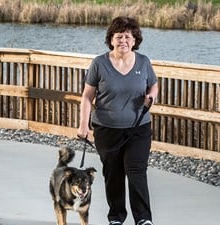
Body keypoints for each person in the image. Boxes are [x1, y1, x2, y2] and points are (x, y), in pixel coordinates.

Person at [77, 16, 158, 225]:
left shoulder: (143, 62)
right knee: (113, 173)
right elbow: (87, 96)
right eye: (119, 36)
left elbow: (153, 85)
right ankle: (116, 218)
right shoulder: (99, 64)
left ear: (134, 41)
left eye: (128, 37)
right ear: (111, 39)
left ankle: (143, 219)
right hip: (107, 129)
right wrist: (83, 125)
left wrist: (151, 97)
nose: (123, 40)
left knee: (136, 170)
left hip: (138, 128)